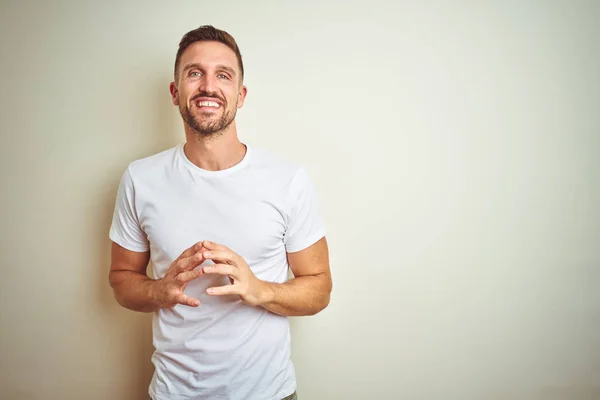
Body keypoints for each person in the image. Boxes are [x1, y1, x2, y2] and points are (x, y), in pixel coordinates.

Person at [108, 25, 332, 400]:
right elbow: (121, 279)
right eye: (195, 73)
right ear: (175, 91)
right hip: (172, 393)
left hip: (269, 394)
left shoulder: (287, 179)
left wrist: (259, 290)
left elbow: (320, 287)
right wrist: (159, 290)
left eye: (223, 75)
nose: (208, 86)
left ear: (240, 95)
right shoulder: (140, 179)